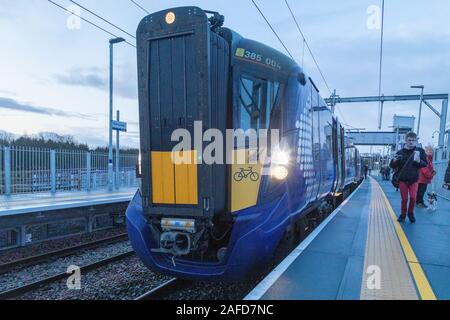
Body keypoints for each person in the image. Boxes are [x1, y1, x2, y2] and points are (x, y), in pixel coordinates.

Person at [390, 132, 427, 223]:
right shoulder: (400, 152)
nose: (411, 142)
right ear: (406, 140)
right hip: (403, 179)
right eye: (409, 140)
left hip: (414, 179)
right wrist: (394, 161)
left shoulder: (420, 151)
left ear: (416, 140)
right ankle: (403, 214)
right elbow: (392, 166)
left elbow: (425, 164)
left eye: (413, 140)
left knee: (413, 198)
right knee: (405, 199)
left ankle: (410, 213)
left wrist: (419, 161)